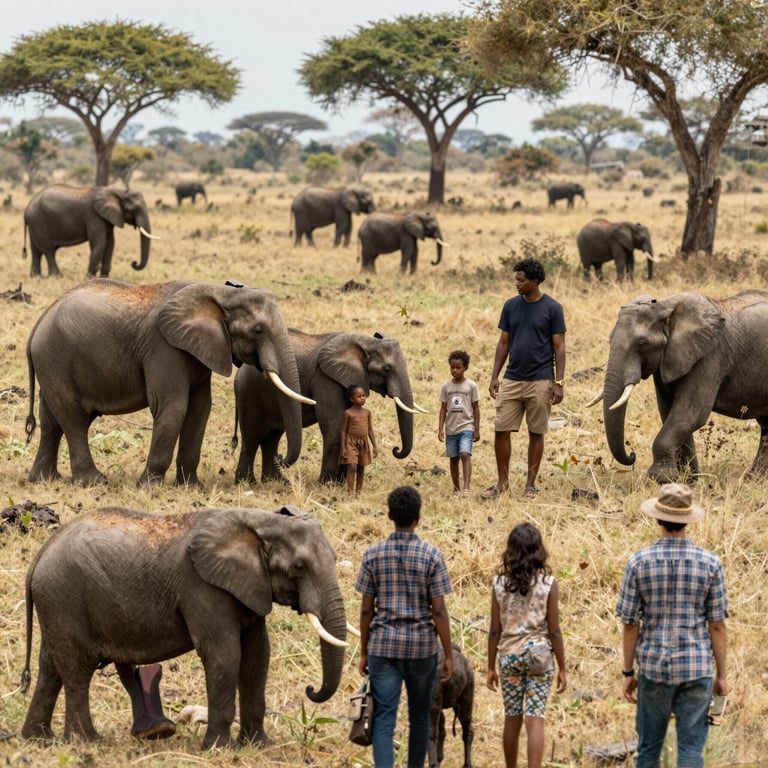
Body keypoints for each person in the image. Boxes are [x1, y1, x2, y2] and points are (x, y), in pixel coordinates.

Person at [616, 483, 729, 768]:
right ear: (688, 521)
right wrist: (722, 675)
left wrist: (628, 671)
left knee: (649, 751)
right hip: (696, 667)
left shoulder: (638, 563)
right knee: (691, 751)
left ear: (658, 518)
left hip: (654, 668)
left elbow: (630, 625)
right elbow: (717, 625)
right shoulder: (710, 563)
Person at [355, 485, 454, 768]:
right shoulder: (431, 556)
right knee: (420, 716)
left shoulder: (372, 554)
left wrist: (364, 651)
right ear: (418, 518)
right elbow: (438, 610)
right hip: (422, 648)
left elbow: (366, 609)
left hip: (383, 647)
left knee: (384, 718)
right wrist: (447, 654)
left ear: (389, 515)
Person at [482, 258, 566, 500]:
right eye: (516, 279)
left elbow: (559, 347)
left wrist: (558, 383)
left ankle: (530, 484)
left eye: (521, 280)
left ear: (535, 281)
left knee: (536, 432)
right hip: (512, 378)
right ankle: (502, 482)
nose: (516, 284)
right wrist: (494, 376)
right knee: (501, 429)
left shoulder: (553, 308)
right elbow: (504, 342)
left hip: (541, 380)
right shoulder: (510, 307)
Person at [486, 522, 567, 768]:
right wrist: (562, 667)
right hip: (540, 655)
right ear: (538, 551)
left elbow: (494, 630)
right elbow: (554, 630)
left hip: (509, 656)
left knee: (512, 718)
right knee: (535, 718)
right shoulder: (548, 583)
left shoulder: (499, 583)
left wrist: (490, 666)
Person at [437, 350, 480, 497]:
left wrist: (476, 429)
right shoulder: (446, 386)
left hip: (466, 427)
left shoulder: (471, 386)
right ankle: (456, 488)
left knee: (464, 454)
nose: (455, 370)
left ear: (465, 368)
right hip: (450, 429)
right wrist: (440, 429)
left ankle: (466, 487)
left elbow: (476, 408)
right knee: (453, 458)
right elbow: (443, 409)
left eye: (458, 367)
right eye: (452, 367)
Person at [340, 383, 378, 495]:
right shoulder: (348, 413)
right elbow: (343, 431)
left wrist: (375, 446)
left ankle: (358, 493)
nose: (362, 398)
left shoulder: (367, 413)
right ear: (352, 399)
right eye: (359, 396)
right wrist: (343, 448)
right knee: (352, 466)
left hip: (363, 442)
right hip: (350, 442)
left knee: (361, 467)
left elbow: (370, 430)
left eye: (363, 395)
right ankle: (350, 492)